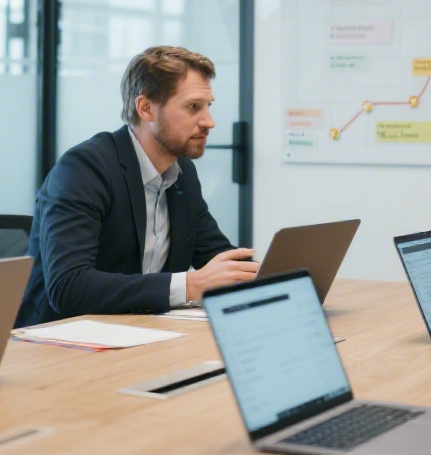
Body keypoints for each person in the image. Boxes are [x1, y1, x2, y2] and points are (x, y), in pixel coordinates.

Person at [16, 46, 256, 326]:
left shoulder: (182, 174)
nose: (209, 122)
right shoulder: (85, 168)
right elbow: (68, 286)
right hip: (60, 342)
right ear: (146, 108)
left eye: (208, 106)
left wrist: (274, 274)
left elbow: (219, 257)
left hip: (144, 333)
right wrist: (188, 285)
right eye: (193, 107)